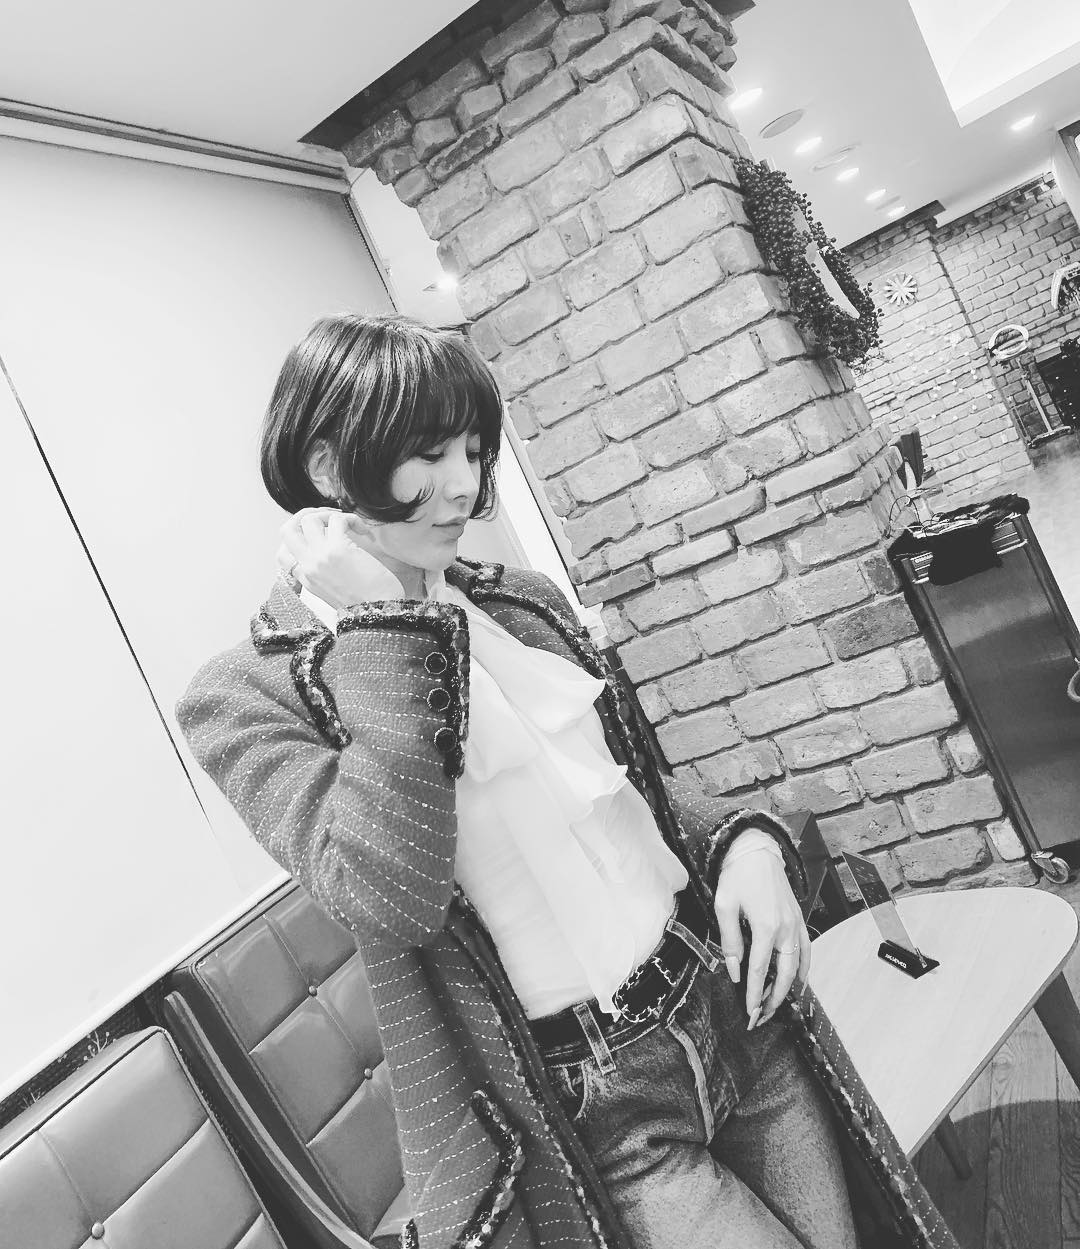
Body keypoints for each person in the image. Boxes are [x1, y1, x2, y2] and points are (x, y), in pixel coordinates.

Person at [176, 314, 957, 1249]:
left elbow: (633, 798)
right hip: (595, 1105)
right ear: (329, 465)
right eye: (429, 453)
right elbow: (389, 897)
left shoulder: (520, 603)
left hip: (727, 1000)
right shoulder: (244, 695)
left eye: (473, 450)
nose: (464, 485)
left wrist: (747, 841)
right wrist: (385, 627)